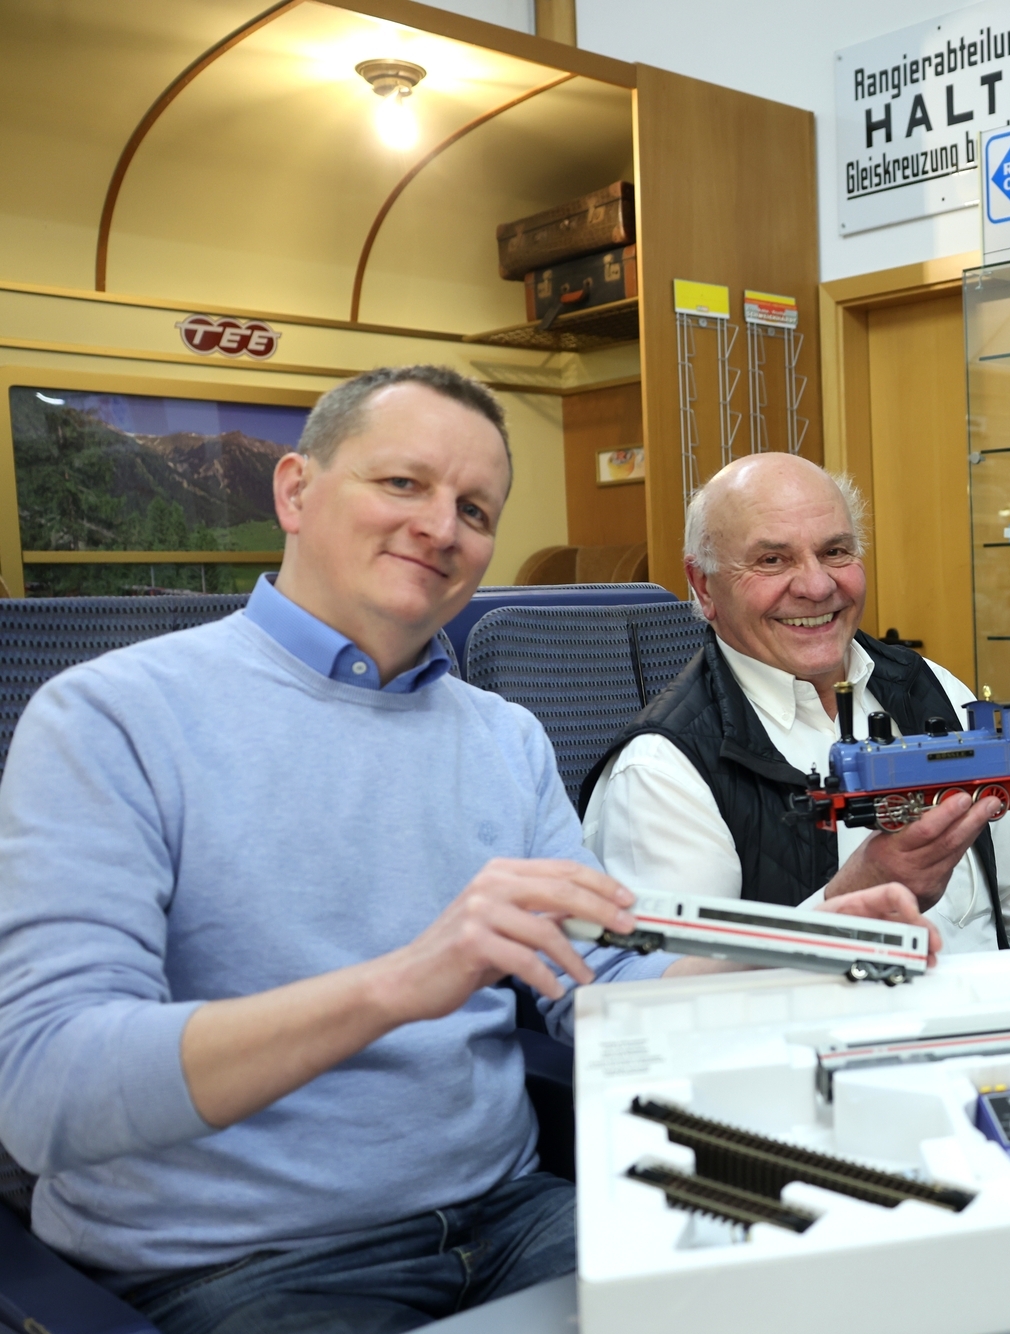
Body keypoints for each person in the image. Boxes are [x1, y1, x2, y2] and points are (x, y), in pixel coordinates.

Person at [0, 365, 934, 1334]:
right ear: (294, 490)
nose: (441, 527)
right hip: (241, 1260)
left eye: (475, 509)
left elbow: (601, 982)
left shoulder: (501, 736)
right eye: (402, 483)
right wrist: (404, 981)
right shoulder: (110, 719)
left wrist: (807, 935)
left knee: (824, 1288)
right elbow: (44, 1089)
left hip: (509, 1215)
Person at [580, 453, 1010, 952]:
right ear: (703, 586)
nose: (817, 586)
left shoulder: (932, 686)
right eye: (772, 560)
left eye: (835, 552)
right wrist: (851, 898)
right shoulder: (661, 772)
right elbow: (685, 994)